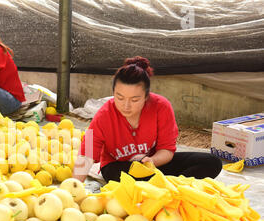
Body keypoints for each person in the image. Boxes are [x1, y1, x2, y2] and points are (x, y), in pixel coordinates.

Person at [72, 56, 223, 183]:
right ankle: (171, 184)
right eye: (119, 97)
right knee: (121, 175)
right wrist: (73, 188)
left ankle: (165, 185)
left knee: (211, 162)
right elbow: (86, 154)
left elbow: (167, 150)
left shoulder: (161, 107)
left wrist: (152, 161)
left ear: (146, 96)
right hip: (119, 168)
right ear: (113, 93)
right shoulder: (104, 115)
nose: (126, 105)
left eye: (135, 99)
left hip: (153, 164)